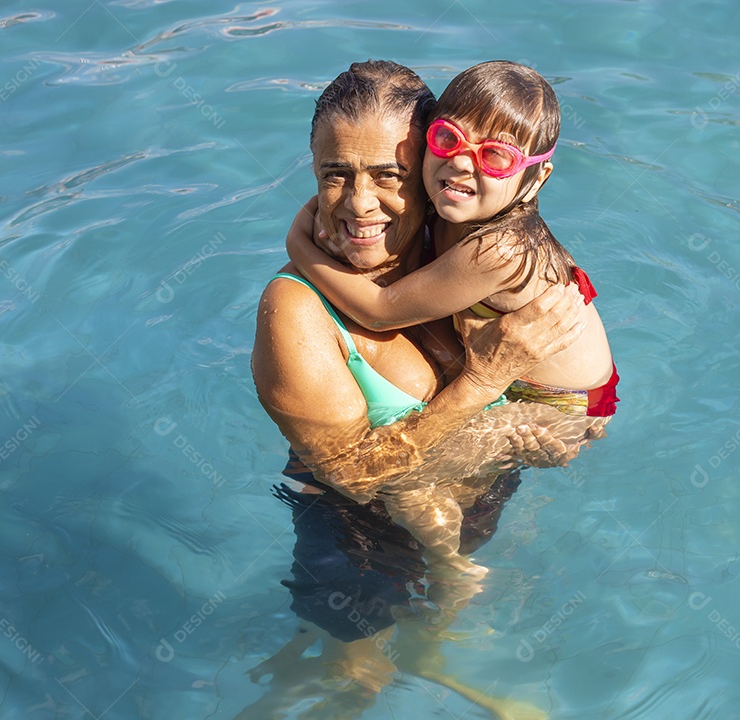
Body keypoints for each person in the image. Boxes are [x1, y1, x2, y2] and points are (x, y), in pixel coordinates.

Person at [250, 60, 590, 719]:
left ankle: (426, 662)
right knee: (354, 682)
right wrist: (484, 381)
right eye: (335, 175)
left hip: (468, 510)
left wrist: (553, 427)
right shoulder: (297, 310)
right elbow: (353, 476)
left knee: (429, 634)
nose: (358, 205)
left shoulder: (460, 259)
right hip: (359, 543)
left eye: (388, 175)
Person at [284, 60, 617, 575]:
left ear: (535, 178)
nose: (463, 165)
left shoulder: (495, 249)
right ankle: (452, 573)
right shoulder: (451, 216)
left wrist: (302, 249)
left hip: (560, 405)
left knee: (412, 487)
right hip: (359, 537)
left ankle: (451, 572)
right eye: (448, 140)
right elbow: (359, 476)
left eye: (495, 157)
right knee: (403, 486)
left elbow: (377, 311)